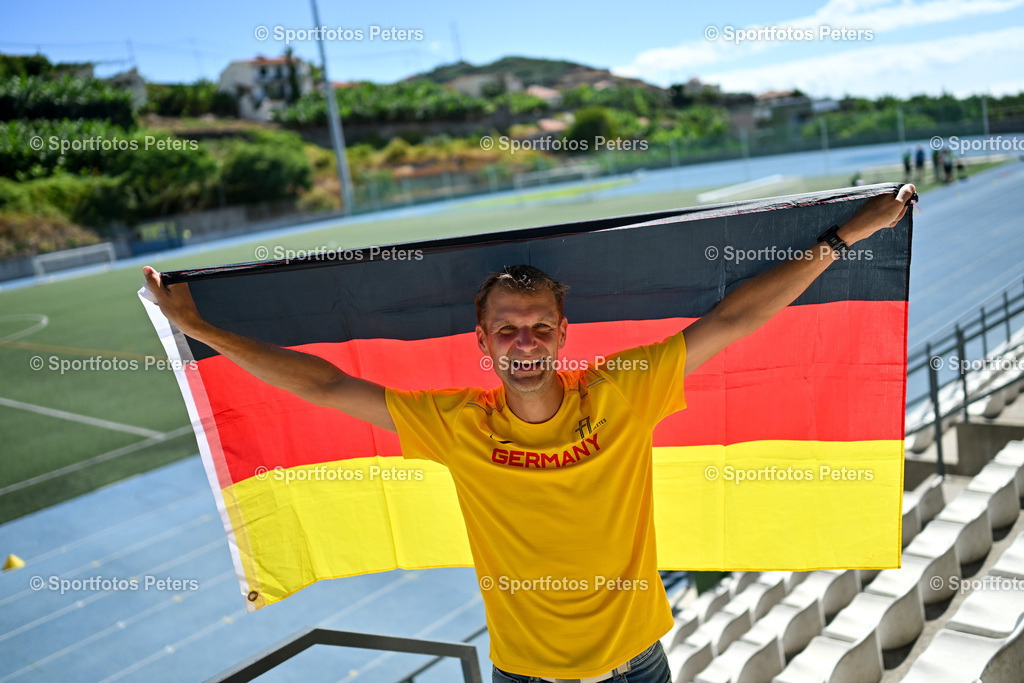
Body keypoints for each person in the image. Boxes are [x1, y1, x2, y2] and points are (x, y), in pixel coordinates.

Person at [142, 184, 915, 683]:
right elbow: (325, 384)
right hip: (521, 673)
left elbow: (737, 317)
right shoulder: (454, 424)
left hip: (636, 665)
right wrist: (202, 329)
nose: (524, 339)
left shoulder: (623, 389)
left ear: (561, 332)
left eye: (539, 324)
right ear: (481, 343)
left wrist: (850, 233)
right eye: (506, 329)